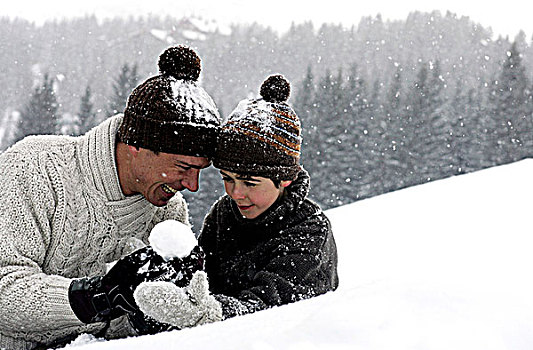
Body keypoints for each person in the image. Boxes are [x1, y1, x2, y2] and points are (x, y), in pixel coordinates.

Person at [0, 45, 221, 349]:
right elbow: (4, 290)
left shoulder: (169, 213)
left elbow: (134, 333)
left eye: (200, 170)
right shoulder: (35, 169)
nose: (192, 185)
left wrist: (158, 311)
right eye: (183, 167)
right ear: (136, 146)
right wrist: (95, 297)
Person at [134, 75, 339, 328]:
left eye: (250, 183)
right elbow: (200, 277)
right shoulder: (225, 213)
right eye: (227, 179)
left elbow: (271, 310)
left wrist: (212, 311)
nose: (235, 193)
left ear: (284, 180)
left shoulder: (309, 232)